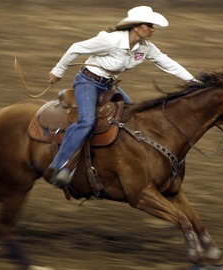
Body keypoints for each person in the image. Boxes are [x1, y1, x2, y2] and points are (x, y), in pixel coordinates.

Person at [47, 5, 197, 188]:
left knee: (133, 116)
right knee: (87, 121)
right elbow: (75, 48)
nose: (152, 29)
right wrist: (58, 71)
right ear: (136, 26)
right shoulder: (110, 40)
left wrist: (193, 80)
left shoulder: (145, 48)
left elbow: (168, 63)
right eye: (149, 25)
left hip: (108, 86)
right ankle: (60, 165)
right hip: (88, 82)